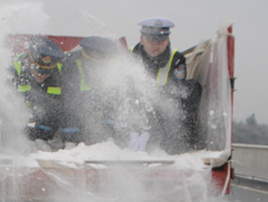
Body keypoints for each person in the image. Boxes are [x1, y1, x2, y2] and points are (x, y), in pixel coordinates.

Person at [132, 17, 202, 153]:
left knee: (192, 88)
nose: (155, 45)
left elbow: (174, 98)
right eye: (151, 40)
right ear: (142, 39)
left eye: (160, 41)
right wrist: (133, 129)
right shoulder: (129, 57)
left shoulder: (176, 60)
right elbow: (124, 94)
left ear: (168, 40)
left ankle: (183, 147)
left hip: (162, 120)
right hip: (134, 118)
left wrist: (151, 131)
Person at [61, 36, 121, 145]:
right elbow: (69, 104)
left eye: (99, 66)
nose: (94, 69)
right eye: (91, 65)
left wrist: (109, 136)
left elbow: (113, 102)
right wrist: (71, 140)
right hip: (77, 115)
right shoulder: (71, 65)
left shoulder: (115, 71)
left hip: (98, 116)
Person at [12, 36, 66, 144]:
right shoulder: (13, 69)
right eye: (38, 70)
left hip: (44, 123)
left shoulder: (60, 71)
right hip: (16, 121)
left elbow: (61, 106)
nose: (42, 75)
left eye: (47, 72)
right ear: (29, 61)